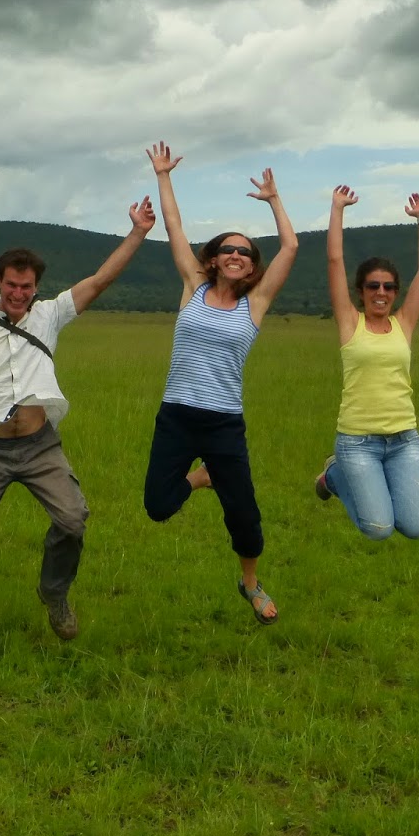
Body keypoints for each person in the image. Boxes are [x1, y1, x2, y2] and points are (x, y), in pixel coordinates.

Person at [0, 196, 157, 666]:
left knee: (73, 520)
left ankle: (54, 593)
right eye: (11, 284)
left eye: (26, 286)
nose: (18, 293)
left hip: (40, 447)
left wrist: (138, 232)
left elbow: (100, 280)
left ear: (36, 287)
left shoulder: (50, 315)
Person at [142, 141, 297, 626]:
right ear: (212, 258)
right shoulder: (194, 286)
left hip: (224, 423)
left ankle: (250, 583)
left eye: (244, 252)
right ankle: (201, 477)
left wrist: (274, 200)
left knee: (244, 517)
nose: (235, 254)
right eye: (227, 248)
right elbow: (174, 227)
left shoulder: (256, 303)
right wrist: (163, 175)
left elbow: (291, 248)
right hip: (177, 416)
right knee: (158, 505)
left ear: (252, 266)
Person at [313, 184, 419, 541]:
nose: (381, 292)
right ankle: (333, 476)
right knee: (378, 529)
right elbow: (334, 261)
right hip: (357, 442)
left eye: (389, 287)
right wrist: (337, 209)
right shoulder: (350, 323)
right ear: (361, 291)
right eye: (373, 286)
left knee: (415, 527)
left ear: (396, 292)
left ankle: (343, 477)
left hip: (404, 440)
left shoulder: (404, 323)